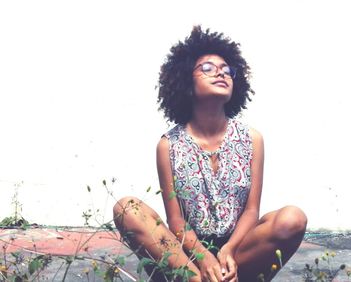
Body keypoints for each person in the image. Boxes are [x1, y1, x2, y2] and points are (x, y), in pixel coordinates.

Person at [113, 26, 307, 282]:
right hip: (187, 253)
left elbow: (251, 212)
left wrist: (228, 250)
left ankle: (223, 275)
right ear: (186, 83)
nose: (220, 73)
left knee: (292, 218)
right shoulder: (168, 145)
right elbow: (176, 220)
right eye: (207, 68)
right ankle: (196, 279)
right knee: (126, 208)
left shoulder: (252, 139)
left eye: (227, 70)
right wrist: (203, 257)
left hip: (237, 251)